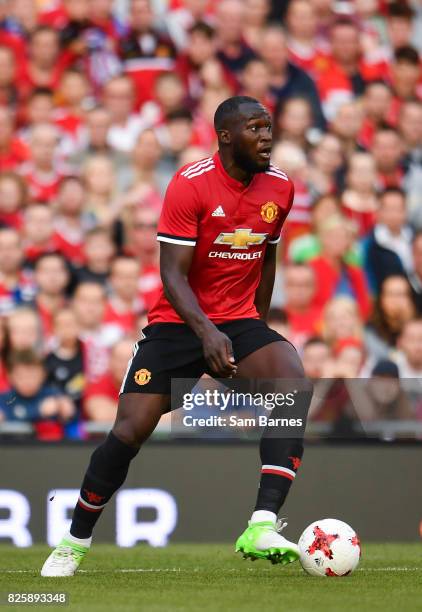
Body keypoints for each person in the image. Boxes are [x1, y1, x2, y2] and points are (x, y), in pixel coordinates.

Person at [41, 95, 312, 576]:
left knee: (291, 382)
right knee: (129, 431)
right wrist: (206, 333)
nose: (266, 137)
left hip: (237, 320)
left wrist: (257, 325)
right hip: (177, 323)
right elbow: (172, 274)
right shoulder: (191, 185)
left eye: (268, 127)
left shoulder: (281, 188)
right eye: (255, 128)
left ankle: (263, 523)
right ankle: (74, 541)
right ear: (226, 136)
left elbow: (267, 255)